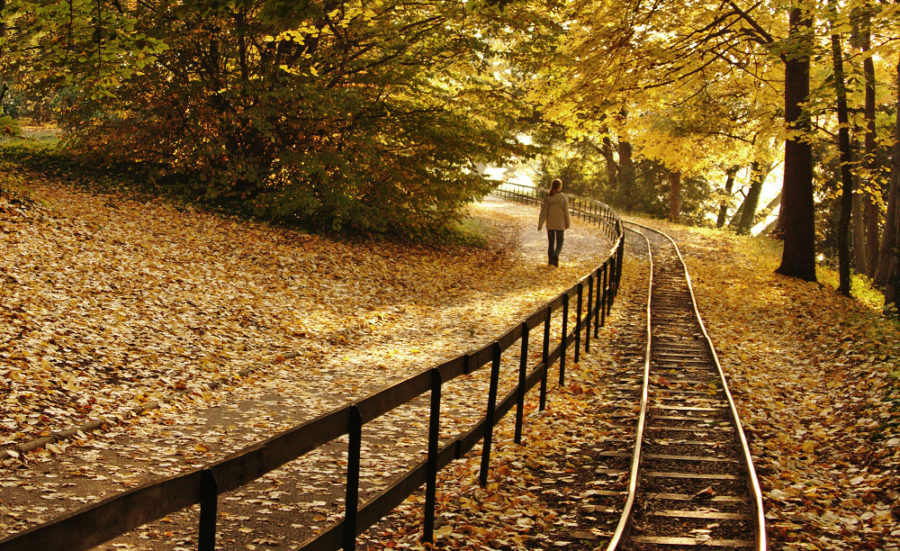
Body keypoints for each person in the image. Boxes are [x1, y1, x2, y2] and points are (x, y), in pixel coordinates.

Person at [537, 178, 570, 266]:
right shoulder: (563, 198)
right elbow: (566, 212)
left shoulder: (548, 198)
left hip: (550, 224)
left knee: (551, 242)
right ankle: (556, 255)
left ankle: (550, 260)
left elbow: (543, 212)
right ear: (559, 187)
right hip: (560, 224)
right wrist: (567, 223)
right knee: (560, 241)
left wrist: (540, 224)